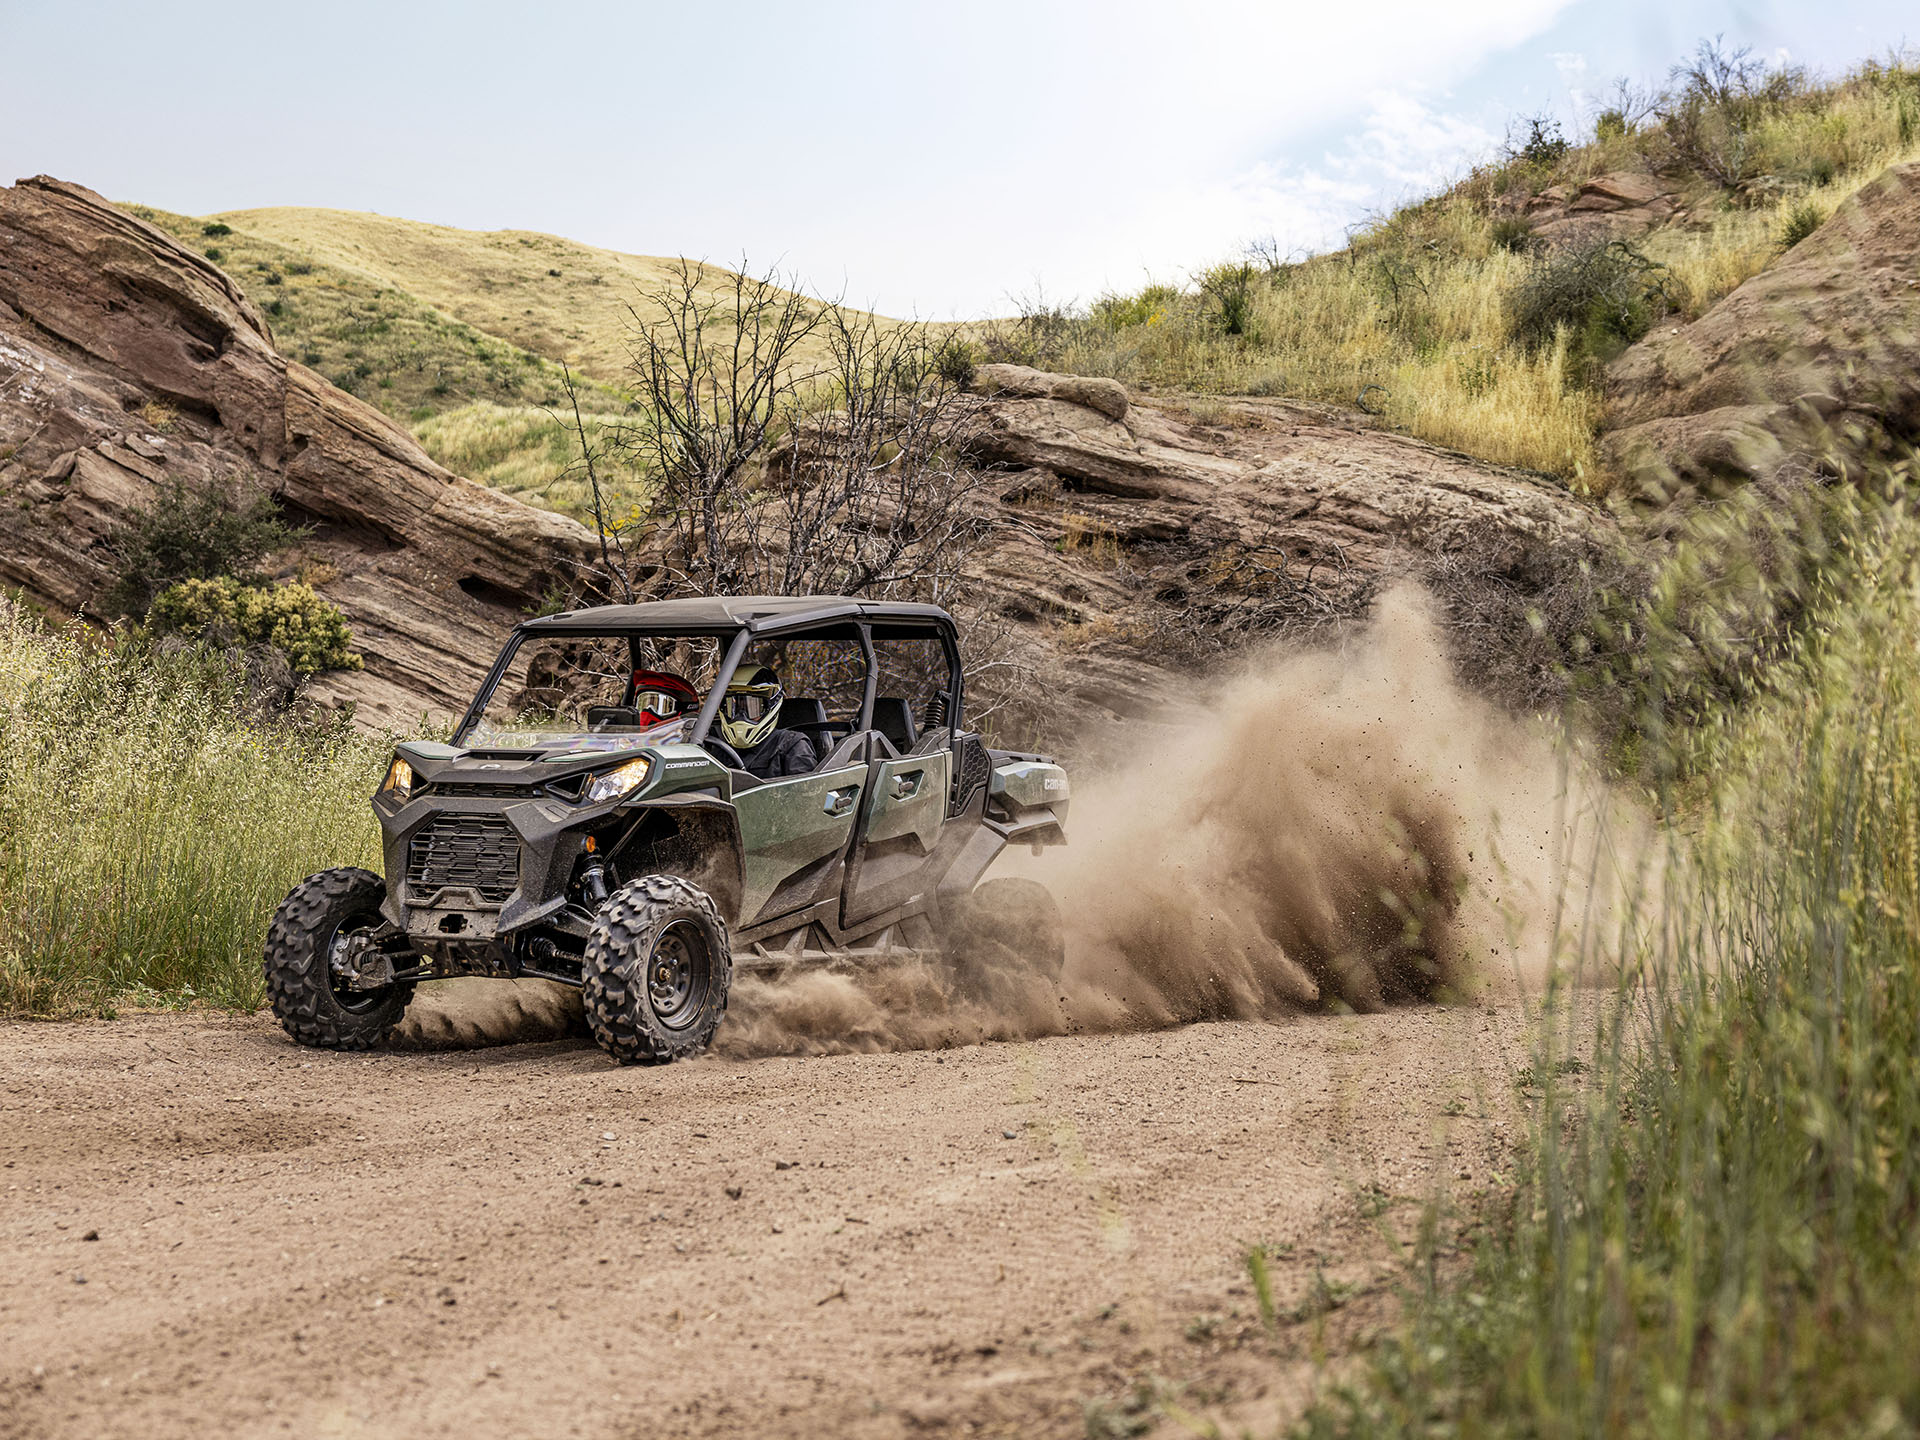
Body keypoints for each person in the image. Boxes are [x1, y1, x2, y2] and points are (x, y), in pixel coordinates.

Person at [719, 665, 817, 779]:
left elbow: (806, 793)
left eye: (752, 707)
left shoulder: (792, 745)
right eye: (734, 708)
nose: (741, 716)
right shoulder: (717, 745)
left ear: (770, 707)